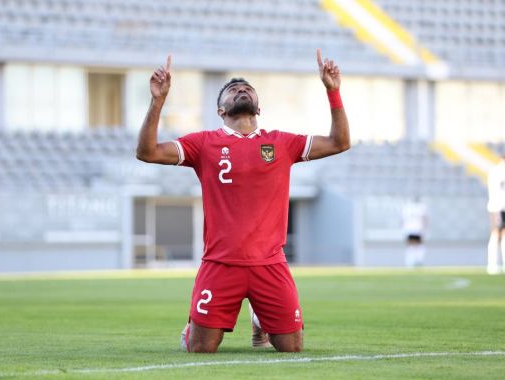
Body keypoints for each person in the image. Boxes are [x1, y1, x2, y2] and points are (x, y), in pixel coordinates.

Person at [136, 49, 350, 353]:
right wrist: (157, 101)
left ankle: (260, 319)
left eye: (247, 89)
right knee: (200, 349)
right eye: (232, 90)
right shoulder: (203, 143)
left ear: (258, 107)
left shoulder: (282, 143)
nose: (241, 90)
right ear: (221, 111)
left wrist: (333, 92)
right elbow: (147, 152)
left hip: (270, 263)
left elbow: (340, 142)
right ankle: (194, 324)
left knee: (291, 348)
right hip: (221, 263)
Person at [401, 197, 428, 268]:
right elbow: (424, 218)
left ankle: (411, 262)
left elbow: (403, 220)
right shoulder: (421, 207)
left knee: (412, 246)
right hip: (418, 229)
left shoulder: (407, 207)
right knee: (418, 246)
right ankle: (417, 261)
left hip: (410, 229)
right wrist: (425, 229)